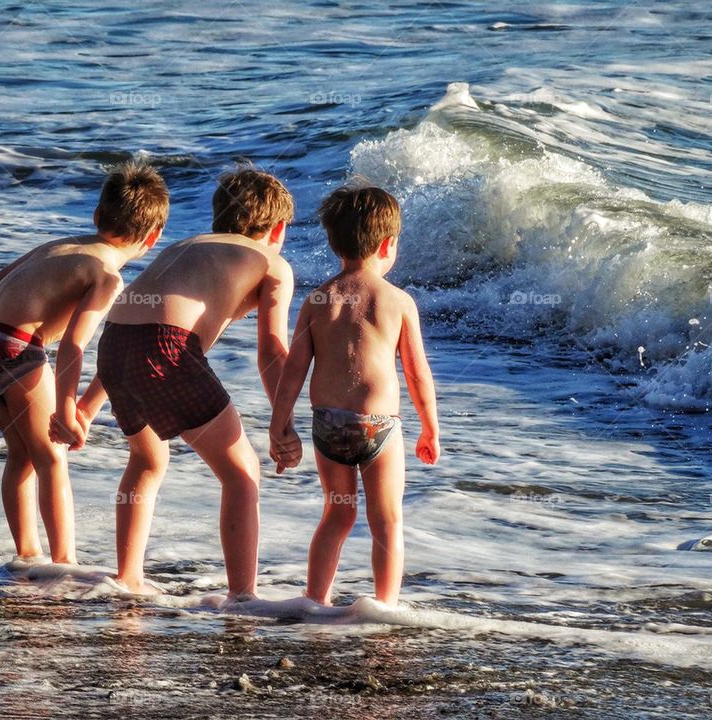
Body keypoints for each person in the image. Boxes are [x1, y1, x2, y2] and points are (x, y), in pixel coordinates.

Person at [70, 166, 295, 597]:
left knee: (148, 459)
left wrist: (90, 401)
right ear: (279, 228)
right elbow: (271, 350)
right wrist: (281, 421)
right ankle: (242, 596)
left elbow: (139, 325)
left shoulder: (182, 248)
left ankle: (128, 578)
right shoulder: (273, 263)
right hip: (167, 347)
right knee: (242, 471)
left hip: (114, 343)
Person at [0, 160, 169, 564]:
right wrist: (67, 408)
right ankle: (64, 562)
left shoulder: (58, 246)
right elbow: (73, 345)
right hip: (18, 349)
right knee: (51, 457)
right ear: (154, 237)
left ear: (97, 216)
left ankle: (27, 553)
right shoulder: (107, 276)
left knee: (21, 454)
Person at [269, 184, 440, 607]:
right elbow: (417, 373)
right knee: (386, 520)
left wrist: (280, 421)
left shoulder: (318, 299)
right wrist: (429, 427)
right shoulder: (397, 301)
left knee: (338, 514)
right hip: (378, 428)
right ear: (388, 244)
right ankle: (386, 607)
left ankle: (314, 601)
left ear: (333, 242)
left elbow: (293, 368)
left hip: (328, 425)